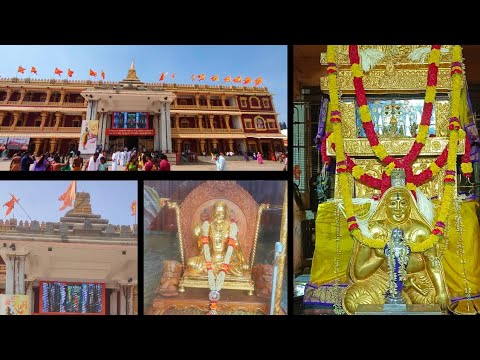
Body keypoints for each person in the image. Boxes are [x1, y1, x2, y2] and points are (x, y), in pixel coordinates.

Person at [343, 183, 449, 314]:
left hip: (416, 281)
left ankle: (404, 295)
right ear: (385, 207)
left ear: (410, 207)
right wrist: (379, 256)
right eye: (393, 203)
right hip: (382, 281)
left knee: (434, 300)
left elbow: (433, 264)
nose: (398, 208)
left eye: (403, 203)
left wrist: (441, 291)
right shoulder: (374, 230)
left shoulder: (421, 231)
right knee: (354, 300)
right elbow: (359, 273)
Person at [185, 201, 249, 277]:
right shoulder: (208, 226)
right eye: (217, 212)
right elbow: (203, 246)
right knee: (190, 263)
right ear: (213, 213)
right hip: (209, 259)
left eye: (221, 212)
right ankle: (214, 269)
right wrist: (199, 235)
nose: (219, 215)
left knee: (240, 269)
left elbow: (236, 244)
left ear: (226, 213)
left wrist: (243, 260)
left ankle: (216, 269)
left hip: (226, 260)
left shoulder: (231, 227)